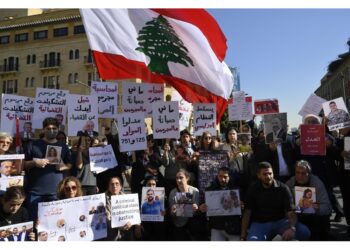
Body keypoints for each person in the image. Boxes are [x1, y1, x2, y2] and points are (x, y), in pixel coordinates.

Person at [240, 161, 310, 241]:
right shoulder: (253, 189)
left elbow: (291, 212)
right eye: (265, 174)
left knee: (305, 232)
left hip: (280, 222)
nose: (268, 176)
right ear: (258, 175)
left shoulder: (283, 188)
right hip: (260, 223)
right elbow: (247, 212)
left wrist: (292, 228)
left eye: (270, 173)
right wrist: (243, 236)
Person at [23, 117, 72, 220]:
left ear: (58, 129)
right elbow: (22, 164)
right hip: (34, 193)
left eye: (54, 128)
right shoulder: (32, 144)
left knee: (54, 224)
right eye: (48, 128)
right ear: (43, 129)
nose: (51, 131)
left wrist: (64, 167)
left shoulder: (63, 146)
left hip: (56, 193)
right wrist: (34, 162)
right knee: (34, 224)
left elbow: (70, 164)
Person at [286, 160, 332, 240]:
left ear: (309, 174)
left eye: (303, 173)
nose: (300, 176)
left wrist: (317, 208)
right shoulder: (291, 182)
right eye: (297, 172)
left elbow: (327, 207)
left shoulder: (317, 183)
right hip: (296, 215)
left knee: (321, 222)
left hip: (314, 216)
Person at [199, 167, 242, 241]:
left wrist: (242, 206)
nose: (222, 179)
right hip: (217, 227)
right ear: (217, 176)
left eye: (225, 177)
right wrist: (201, 208)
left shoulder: (237, 190)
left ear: (230, 177)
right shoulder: (209, 191)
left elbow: (245, 209)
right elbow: (202, 208)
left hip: (233, 227)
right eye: (220, 176)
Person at [168, 169, 205, 241]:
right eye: (177, 178)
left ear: (187, 178)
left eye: (181, 177)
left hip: (192, 223)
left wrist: (197, 209)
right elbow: (171, 214)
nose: (178, 180)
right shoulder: (173, 192)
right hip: (179, 224)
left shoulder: (195, 191)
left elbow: (197, 212)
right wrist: (173, 211)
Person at [105, 176, 135, 241]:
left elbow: (133, 216)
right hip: (111, 235)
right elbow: (107, 220)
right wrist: (119, 225)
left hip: (126, 233)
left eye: (117, 184)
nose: (114, 186)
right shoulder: (102, 200)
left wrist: (131, 223)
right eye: (112, 184)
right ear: (108, 187)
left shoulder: (128, 199)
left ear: (121, 187)